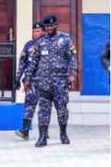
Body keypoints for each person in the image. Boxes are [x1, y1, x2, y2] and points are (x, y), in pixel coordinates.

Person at [23, 15, 78, 147]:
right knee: (43, 110)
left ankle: (63, 134)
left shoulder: (66, 39)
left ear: (56, 25)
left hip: (60, 82)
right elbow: (34, 62)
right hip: (43, 82)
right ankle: (42, 137)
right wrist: (28, 78)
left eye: (51, 26)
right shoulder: (40, 41)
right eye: (47, 27)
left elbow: (72, 59)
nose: (48, 29)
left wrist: (72, 74)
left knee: (62, 109)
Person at [13, 22, 44, 140]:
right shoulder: (28, 45)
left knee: (44, 106)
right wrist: (17, 78)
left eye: (38, 31)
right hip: (30, 81)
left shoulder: (48, 44)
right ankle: (25, 131)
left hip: (45, 81)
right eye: (34, 31)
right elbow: (22, 63)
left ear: (43, 32)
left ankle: (44, 132)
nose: (36, 33)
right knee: (29, 105)